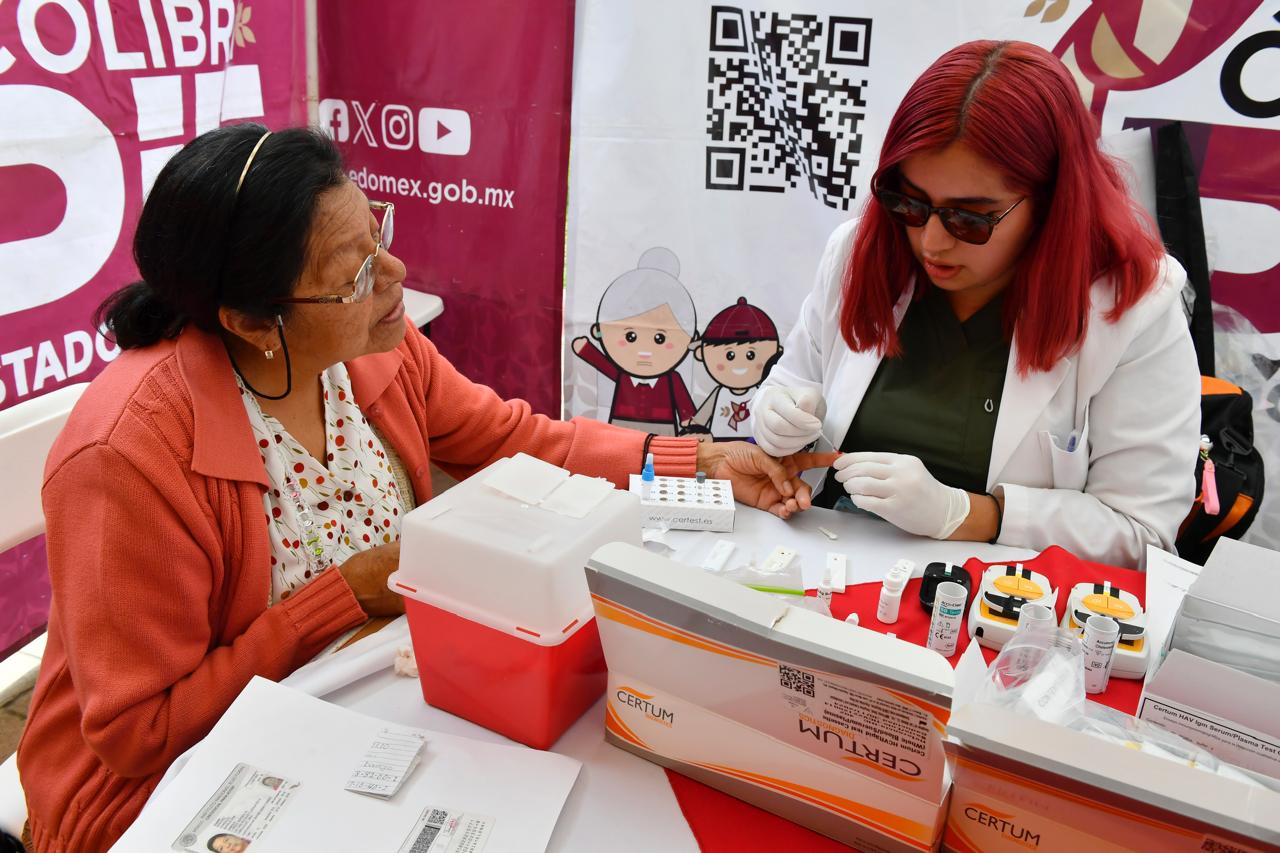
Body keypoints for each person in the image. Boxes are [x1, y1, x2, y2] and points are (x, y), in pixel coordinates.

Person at [17, 125, 833, 853]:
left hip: (367, 706)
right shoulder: (129, 454)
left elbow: (516, 439)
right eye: (355, 274)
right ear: (253, 321)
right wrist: (346, 594)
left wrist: (700, 461)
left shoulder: (374, 352)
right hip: (170, 789)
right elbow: (137, 730)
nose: (396, 275)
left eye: (379, 234)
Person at [753, 40, 1200, 569]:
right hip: (823, 566)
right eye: (910, 203)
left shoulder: (1132, 306)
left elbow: (1141, 533)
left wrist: (972, 514)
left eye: (970, 218)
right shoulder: (861, 251)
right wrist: (778, 415)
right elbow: (796, 381)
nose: (932, 243)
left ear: (1053, 201)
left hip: (998, 598)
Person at [572, 247, 699, 435]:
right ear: (599, 331)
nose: (645, 351)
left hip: (663, 428)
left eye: (660, 338)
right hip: (622, 426)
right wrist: (586, 350)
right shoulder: (623, 376)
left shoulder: (671, 378)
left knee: (661, 453)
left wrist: (688, 417)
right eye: (630, 336)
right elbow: (604, 365)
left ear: (690, 340)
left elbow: (682, 398)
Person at [685, 297, 783, 441]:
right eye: (729, 355)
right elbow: (703, 416)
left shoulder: (759, 393)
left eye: (750, 355)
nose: (740, 364)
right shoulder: (719, 393)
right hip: (720, 440)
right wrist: (695, 426)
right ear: (701, 353)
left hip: (753, 440)